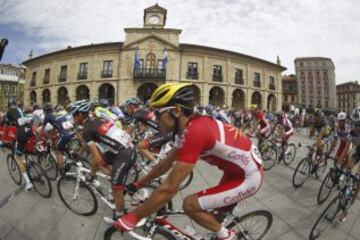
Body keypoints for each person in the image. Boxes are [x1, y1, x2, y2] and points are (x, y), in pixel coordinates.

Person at [115, 83, 264, 240]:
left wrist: (134, 217)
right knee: (214, 216)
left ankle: (227, 236)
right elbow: (166, 163)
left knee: (190, 205)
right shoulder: (184, 129)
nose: (154, 119)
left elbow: (169, 189)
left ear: (177, 111)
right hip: (236, 171)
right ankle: (219, 230)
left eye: (158, 114)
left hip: (250, 177)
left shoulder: (195, 131)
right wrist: (139, 183)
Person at [69, 100, 137, 222]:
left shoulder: (86, 130)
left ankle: (119, 218)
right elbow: (90, 148)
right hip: (126, 147)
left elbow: (95, 156)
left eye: (73, 115)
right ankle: (101, 176)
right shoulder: (98, 119)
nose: (72, 118)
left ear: (79, 115)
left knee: (116, 187)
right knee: (101, 161)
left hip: (125, 154)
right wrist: (80, 155)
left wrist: (98, 172)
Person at [4, 101, 33, 191]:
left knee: (18, 157)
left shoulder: (9, 112)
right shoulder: (19, 109)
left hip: (22, 132)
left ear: (9, 107)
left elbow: (5, 126)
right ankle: (29, 161)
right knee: (23, 146)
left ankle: (28, 183)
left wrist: (3, 138)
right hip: (28, 129)